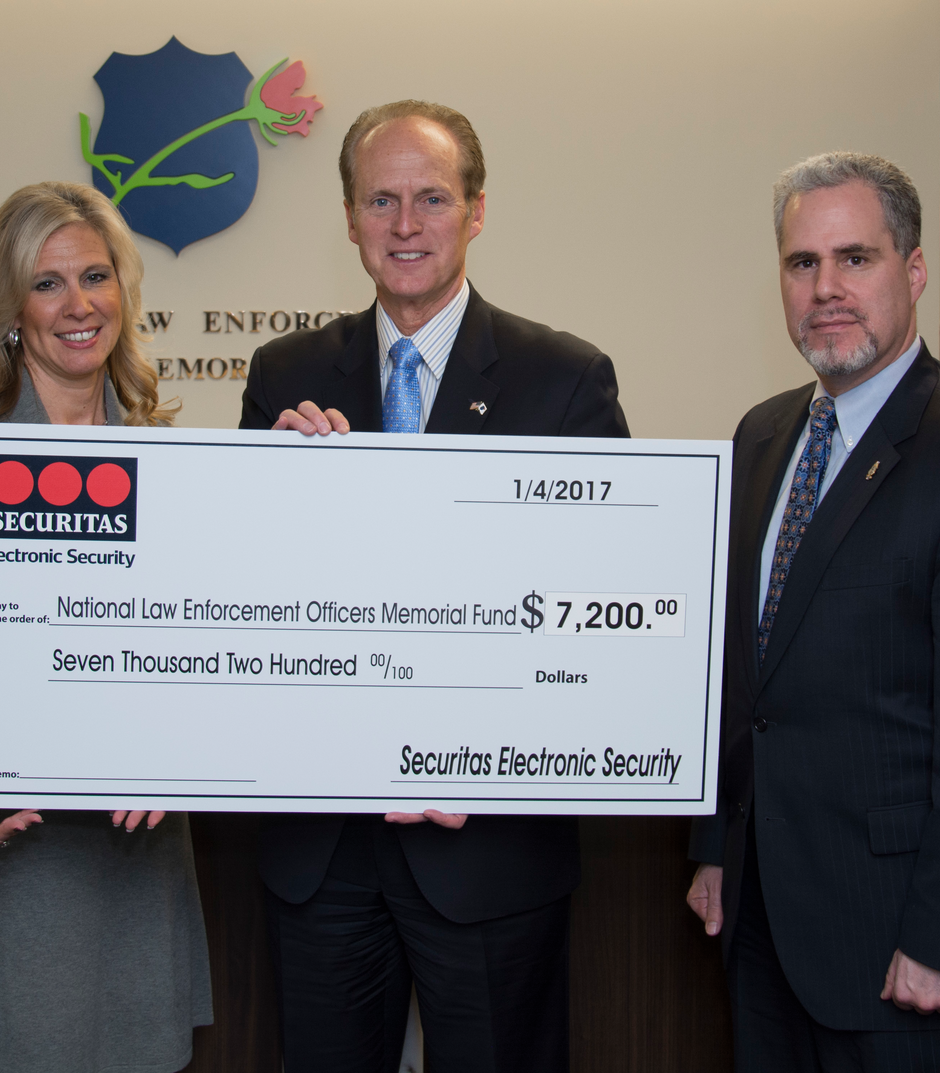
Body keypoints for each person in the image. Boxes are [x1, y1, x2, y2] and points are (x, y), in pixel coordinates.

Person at [239, 99, 630, 1073]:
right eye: (381, 199)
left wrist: (498, 754)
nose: (406, 224)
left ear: (477, 211)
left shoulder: (566, 379)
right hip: (321, 846)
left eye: (431, 198)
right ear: (348, 217)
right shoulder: (284, 375)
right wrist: (282, 498)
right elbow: (246, 594)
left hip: (487, 845)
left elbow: (604, 613)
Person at [684, 152, 940, 1072]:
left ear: (914, 269)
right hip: (769, 927)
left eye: (855, 258)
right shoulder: (764, 434)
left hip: (910, 949)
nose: (826, 288)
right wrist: (714, 846)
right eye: (801, 264)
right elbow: (745, 673)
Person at [0, 181, 210, 1073]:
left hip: (135, 859)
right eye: (49, 283)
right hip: (6, 859)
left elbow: (198, 655)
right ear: (10, 308)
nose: (79, 306)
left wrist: (183, 752)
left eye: (96, 276)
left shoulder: (170, 455)